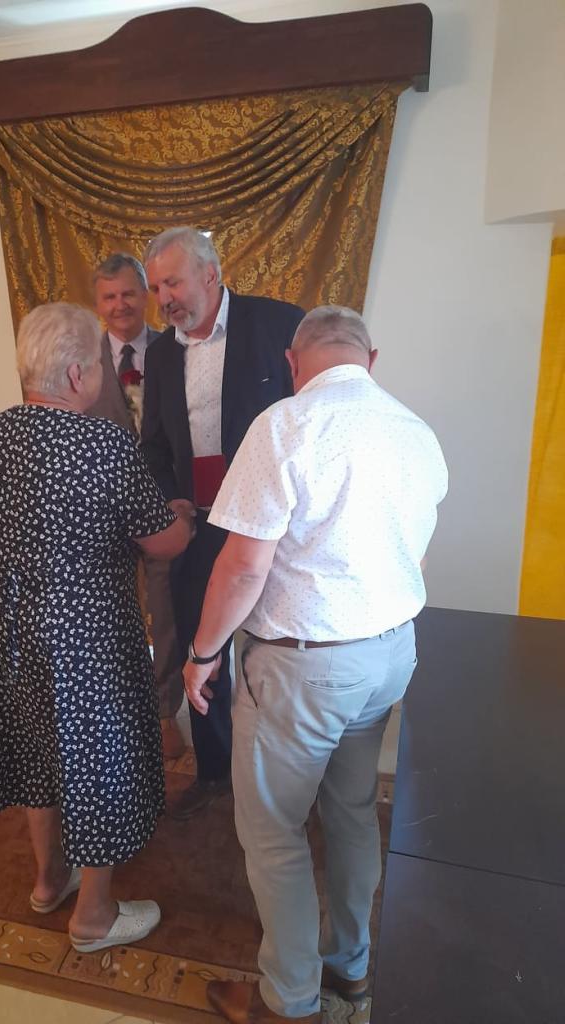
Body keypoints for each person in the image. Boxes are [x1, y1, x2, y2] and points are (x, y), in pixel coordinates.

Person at [183, 306, 448, 1023]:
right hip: (388, 654)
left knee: (274, 830)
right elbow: (414, 556)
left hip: (304, 667)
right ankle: (350, 968)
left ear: (294, 362)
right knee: (353, 810)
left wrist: (203, 653)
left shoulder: (283, 426)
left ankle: (289, 999)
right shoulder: (417, 434)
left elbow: (243, 569)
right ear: (371, 359)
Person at [0, 302, 192, 953]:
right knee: (99, 760)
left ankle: (48, 879)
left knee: (37, 748)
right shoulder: (104, 444)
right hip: (87, 635)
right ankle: (93, 915)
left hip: (8, 626)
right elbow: (163, 542)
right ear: (79, 373)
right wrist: (182, 515)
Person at [142, 226, 305, 819]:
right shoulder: (161, 354)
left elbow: (305, 417)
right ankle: (214, 772)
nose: (164, 299)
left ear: (210, 275)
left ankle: (289, 777)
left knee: (275, 650)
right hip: (199, 523)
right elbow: (155, 444)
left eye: (173, 283)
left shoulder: (279, 324)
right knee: (200, 644)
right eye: (157, 288)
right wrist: (170, 500)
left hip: (268, 528)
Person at [87, 252, 186, 759]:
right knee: (108, 610)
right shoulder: (82, 359)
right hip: (101, 509)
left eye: (128, 293)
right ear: (98, 303)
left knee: (166, 610)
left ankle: (165, 710)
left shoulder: (175, 349)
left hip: (162, 502)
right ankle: (115, 704)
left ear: (146, 294)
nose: (120, 304)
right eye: (109, 296)